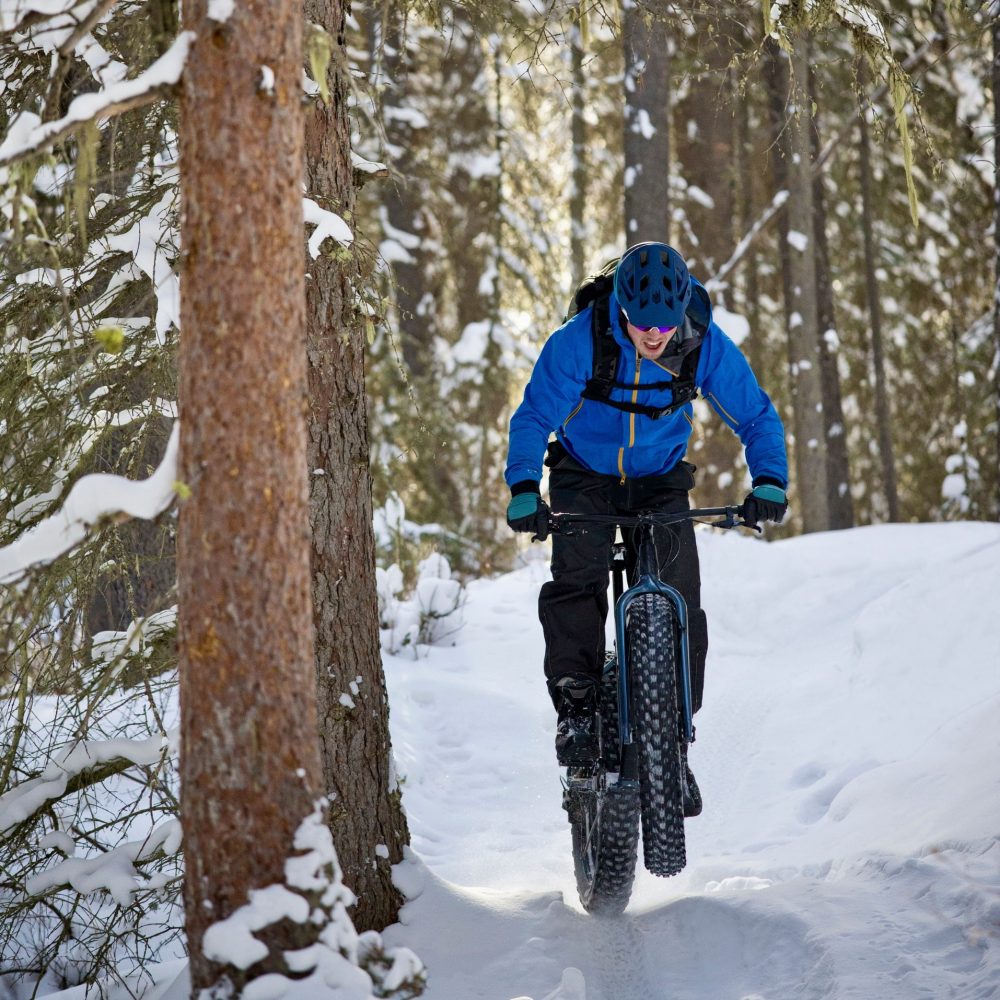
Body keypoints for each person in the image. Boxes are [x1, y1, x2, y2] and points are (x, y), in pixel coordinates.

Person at [504, 242, 789, 797]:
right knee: (578, 579)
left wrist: (769, 480)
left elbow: (754, 413)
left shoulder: (702, 342)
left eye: (664, 326)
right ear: (622, 312)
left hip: (659, 478)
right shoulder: (580, 340)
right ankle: (578, 708)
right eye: (641, 326)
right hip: (584, 473)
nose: (654, 337)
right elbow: (535, 414)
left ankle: (674, 742)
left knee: (679, 595)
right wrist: (523, 488)